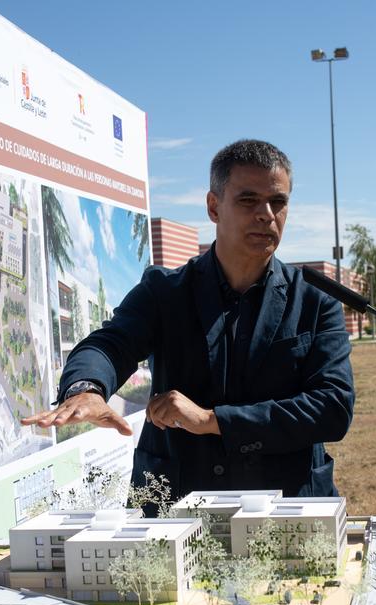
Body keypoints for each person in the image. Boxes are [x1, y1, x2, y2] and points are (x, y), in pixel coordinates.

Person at [22, 139, 354, 500]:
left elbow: (332, 407)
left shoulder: (315, 301)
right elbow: (110, 343)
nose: (266, 214)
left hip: (286, 507)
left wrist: (213, 421)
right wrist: (86, 388)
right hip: (177, 507)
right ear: (214, 206)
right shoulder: (164, 292)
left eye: (278, 202)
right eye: (248, 200)